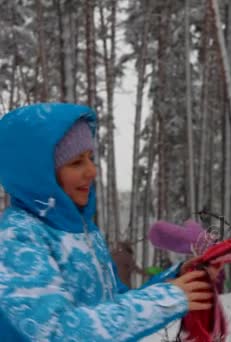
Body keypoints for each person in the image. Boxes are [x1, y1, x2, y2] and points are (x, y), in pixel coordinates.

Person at [0, 103, 219, 341]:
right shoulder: (18, 238)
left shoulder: (83, 231)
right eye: (76, 162)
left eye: (91, 158)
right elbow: (57, 332)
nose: (92, 171)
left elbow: (113, 304)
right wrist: (168, 298)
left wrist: (177, 279)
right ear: (39, 175)